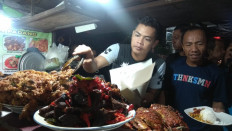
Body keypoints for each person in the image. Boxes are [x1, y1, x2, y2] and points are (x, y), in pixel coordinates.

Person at [73, 16, 166, 107]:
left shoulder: (159, 64)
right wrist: (89, 59)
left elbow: (153, 93)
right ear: (133, 34)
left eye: (147, 39)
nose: (140, 41)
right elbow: (94, 65)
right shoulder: (117, 49)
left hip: (139, 111)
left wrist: (145, 97)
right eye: (137, 35)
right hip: (113, 105)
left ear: (154, 43)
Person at [163, 25, 227, 131]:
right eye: (188, 44)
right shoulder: (173, 67)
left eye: (200, 44)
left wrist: (221, 118)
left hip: (204, 128)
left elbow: (218, 104)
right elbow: (164, 94)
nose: (194, 49)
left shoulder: (216, 73)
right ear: (183, 46)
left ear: (206, 45)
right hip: (177, 127)